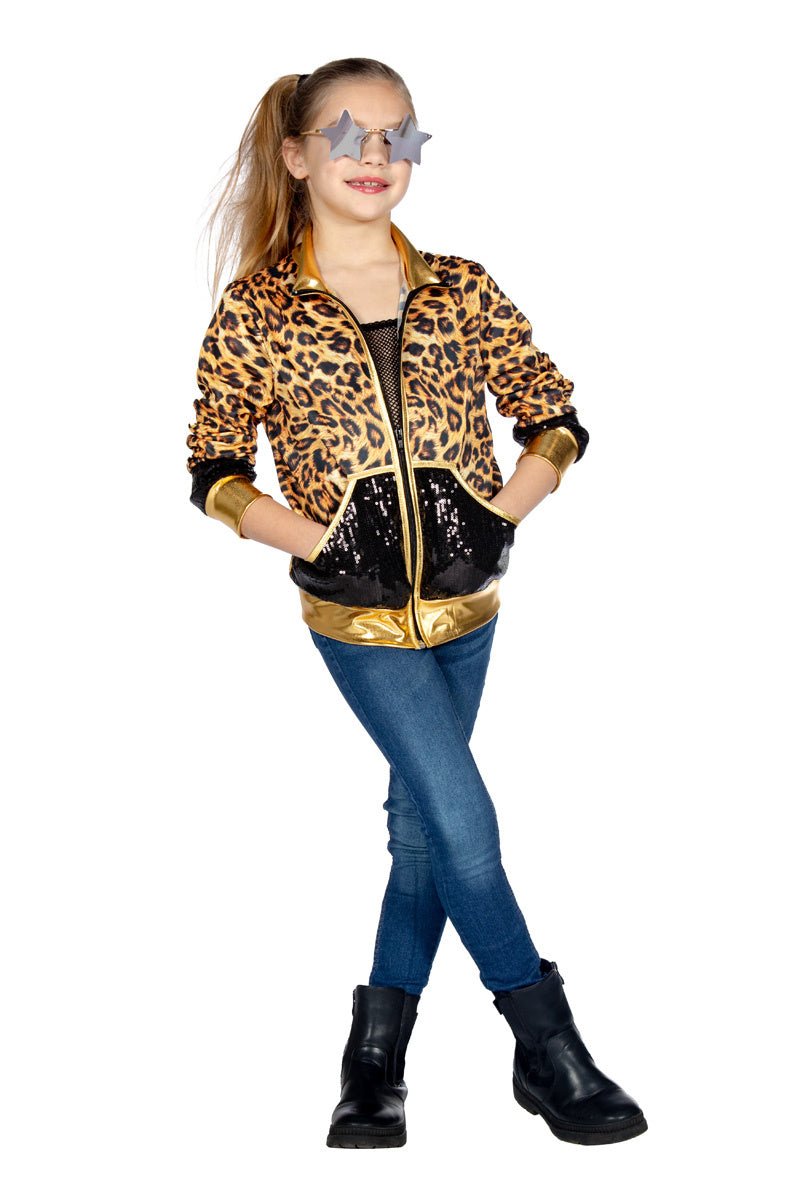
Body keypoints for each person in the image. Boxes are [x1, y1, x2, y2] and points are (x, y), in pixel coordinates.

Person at [185, 56, 647, 1149]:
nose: (375, 155)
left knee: (421, 835)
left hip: (467, 610)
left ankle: (373, 1060)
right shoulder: (259, 309)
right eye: (348, 134)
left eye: (397, 135)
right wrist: (318, 543)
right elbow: (213, 467)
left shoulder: (461, 287)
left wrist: (501, 514)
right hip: (356, 623)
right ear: (297, 156)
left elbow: (553, 415)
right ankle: (547, 1047)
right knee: (465, 825)